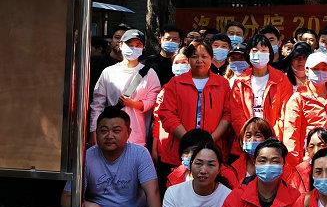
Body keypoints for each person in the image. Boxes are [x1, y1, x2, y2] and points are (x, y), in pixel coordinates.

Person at [61, 107, 161, 207]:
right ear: (96, 133)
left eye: (116, 131)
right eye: (104, 131)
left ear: (128, 133)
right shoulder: (87, 156)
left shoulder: (140, 154)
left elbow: (153, 193)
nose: (109, 136)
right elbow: (66, 199)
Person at [155, 40, 232, 190]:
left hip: (213, 147)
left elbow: (227, 115)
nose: (199, 60)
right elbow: (166, 113)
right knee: (177, 191)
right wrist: (187, 140)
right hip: (179, 150)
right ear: (188, 59)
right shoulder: (175, 83)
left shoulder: (222, 83)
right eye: (195, 56)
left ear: (211, 58)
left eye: (204, 56)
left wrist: (210, 139)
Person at [90, 29, 161, 147]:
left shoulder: (150, 73)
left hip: (137, 136)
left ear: (143, 48)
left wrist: (132, 104)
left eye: (138, 45)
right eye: (129, 44)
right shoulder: (108, 72)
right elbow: (97, 104)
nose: (133, 48)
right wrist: (94, 131)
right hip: (109, 136)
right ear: (121, 45)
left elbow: (153, 101)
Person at [283, 52, 327, 167]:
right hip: (308, 160)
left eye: (324, 69)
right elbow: (291, 135)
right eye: (315, 69)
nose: (320, 72)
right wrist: (296, 166)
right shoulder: (298, 98)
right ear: (307, 71)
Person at [231, 33, 293, 136]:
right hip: (246, 139)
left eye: (264, 50)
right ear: (248, 54)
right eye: (255, 51)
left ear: (270, 54)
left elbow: (285, 114)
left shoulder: (282, 79)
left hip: (273, 138)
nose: (259, 54)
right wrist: (248, 136)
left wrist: (271, 137)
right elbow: (236, 115)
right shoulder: (240, 82)